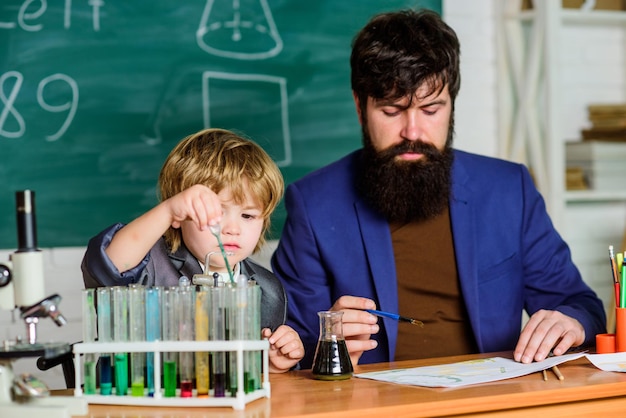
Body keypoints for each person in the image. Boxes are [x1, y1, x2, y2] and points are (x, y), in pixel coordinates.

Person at [270, 9, 606, 369]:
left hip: (497, 402)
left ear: (451, 106)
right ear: (360, 108)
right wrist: (328, 341)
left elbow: (582, 306)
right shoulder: (314, 204)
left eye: (431, 110)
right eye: (392, 110)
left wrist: (570, 322)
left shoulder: (510, 189)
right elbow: (291, 348)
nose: (412, 132)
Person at [82, 127, 304, 373]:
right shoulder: (151, 263)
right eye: (216, 214)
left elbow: (251, 374)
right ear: (182, 213)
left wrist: (273, 364)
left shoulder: (268, 290)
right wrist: (167, 212)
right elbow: (110, 265)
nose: (232, 229)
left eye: (248, 215)